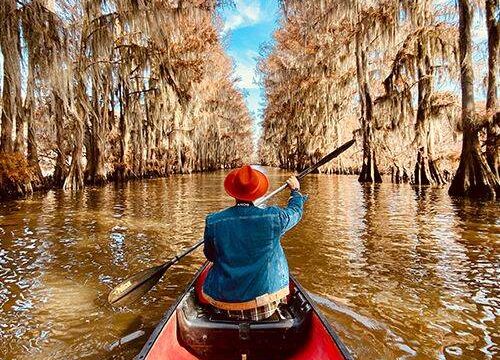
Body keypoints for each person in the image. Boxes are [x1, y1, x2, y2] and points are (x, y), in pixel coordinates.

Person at [200, 165, 307, 321]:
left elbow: (210, 256)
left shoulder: (214, 221)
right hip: (265, 306)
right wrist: (295, 192)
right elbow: (296, 212)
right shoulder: (274, 217)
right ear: (257, 193)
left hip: (224, 306)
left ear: (233, 192)